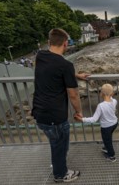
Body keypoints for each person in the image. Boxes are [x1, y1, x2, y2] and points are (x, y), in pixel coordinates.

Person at [32, 28, 89, 183]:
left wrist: (75, 75)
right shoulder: (65, 65)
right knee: (60, 146)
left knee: (55, 143)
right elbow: (73, 95)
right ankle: (61, 174)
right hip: (55, 117)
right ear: (65, 44)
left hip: (39, 113)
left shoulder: (40, 56)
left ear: (49, 42)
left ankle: (59, 170)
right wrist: (79, 112)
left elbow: (52, 71)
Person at [74, 83, 118, 162]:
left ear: (101, 94)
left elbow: (94, 119)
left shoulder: (101, 106)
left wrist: (82, 119)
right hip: (114, 124)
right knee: (108, 137)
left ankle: (111, 156)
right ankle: (106, 147)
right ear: (112, 93)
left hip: (106, 127)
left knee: (107, 140)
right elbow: (109, 97)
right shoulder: (114, 101)